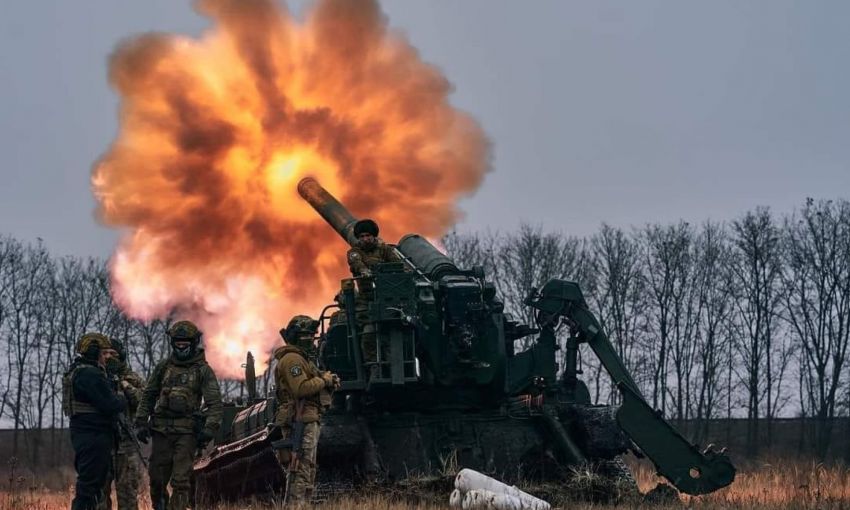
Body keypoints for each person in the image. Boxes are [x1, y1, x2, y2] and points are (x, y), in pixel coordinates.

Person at [134, 320, 223, 510]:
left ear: (193, 343)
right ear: (173, 343)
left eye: (185, 343)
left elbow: (215, 404)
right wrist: (141, 421)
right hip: (161, 431)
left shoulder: (203, 371)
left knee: (181, 482)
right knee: (157, 481)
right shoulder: (163, 367)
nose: (181, 347)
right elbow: (149, 394)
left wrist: (209, 429)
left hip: (187, 433)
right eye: (178, 343)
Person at [272, 315, 339, 504]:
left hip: (308, 417)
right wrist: (324, 380)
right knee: (299, 470)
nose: (311, 339)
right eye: (306, 335)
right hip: (299, 419)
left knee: (307, 470)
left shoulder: (303, 360)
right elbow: (301, 388)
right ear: (296, 337)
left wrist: (329, 380)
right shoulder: (293, 359)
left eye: (312, 335)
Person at [63, 332, 126, 510]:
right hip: (93, 436)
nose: (108, 358)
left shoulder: (79, 371)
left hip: (87, 434)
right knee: (89, 488)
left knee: (92, 486)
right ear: (94, 352)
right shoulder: (90, 374)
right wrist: (122, 398)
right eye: (104, 353)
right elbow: (111, 404)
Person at [346, 218, 401, 369]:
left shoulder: (385, 250)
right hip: (367, 301)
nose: (365, 239)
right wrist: (364, 271)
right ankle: (373, 367)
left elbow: (398, 265)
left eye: (368, 235)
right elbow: (357, 263)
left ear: (373, 236)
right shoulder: (354, 252)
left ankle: (394, 366)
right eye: (362, 236)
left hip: (387, 300)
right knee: (368, 334)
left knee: (393, 333)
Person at [100, 338, 146, 510]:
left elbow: (145, 401)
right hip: (103, 441)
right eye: (106, 353)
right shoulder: (96, 378)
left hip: (126, 444)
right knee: (100, 493)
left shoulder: (131, 378)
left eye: (114, 354)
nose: (110, 358)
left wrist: (125, 386)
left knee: (127, 492)